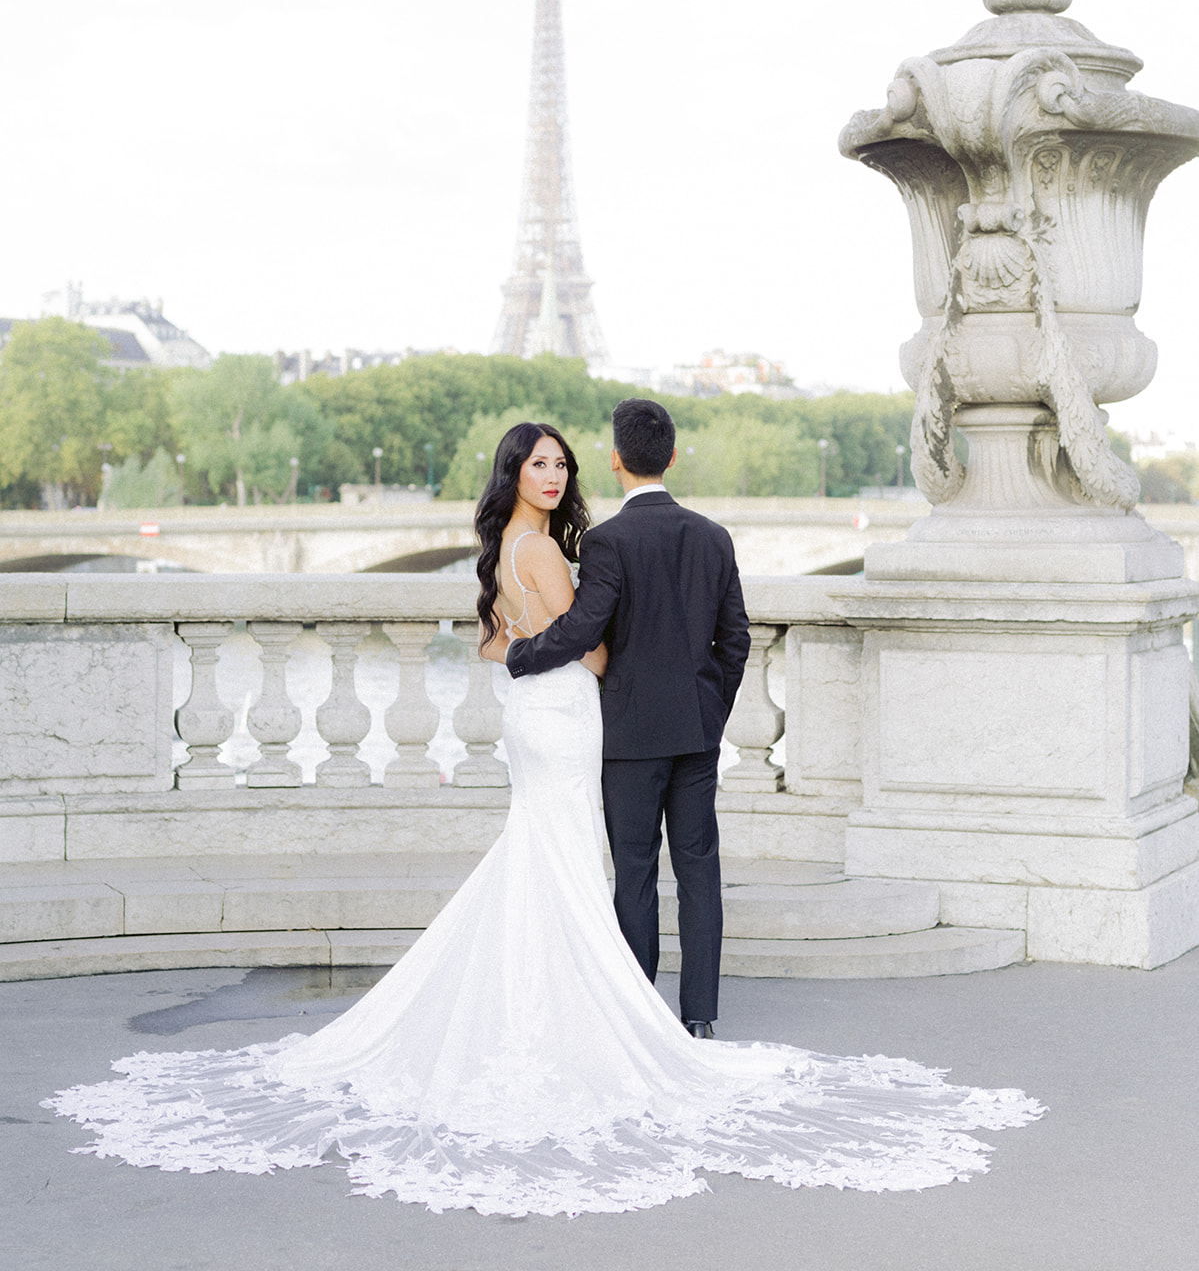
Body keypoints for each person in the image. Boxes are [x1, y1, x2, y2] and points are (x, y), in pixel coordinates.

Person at [45, 420, 1042, 1217]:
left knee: (573, 864)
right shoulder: (605, 546)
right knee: (620, 866)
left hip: (540, 720)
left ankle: (609, 1003)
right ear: (518, 474)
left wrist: (536, 651)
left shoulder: (519, 547)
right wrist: (642, 673)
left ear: (600, 460)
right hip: (581, 717)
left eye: (561, 460)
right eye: (538, 462)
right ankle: (652, 1012)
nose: (553, 472)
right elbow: (603, 648)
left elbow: (495, 642)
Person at [502, 398, 749, 1039]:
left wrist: (520, 655)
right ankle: (698, 1018)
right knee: (699, 871)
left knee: (634, 872)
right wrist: (710, 715)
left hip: (630, 736)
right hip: (697, 734)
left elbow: (583, 629)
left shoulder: (607, 542)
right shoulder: (714, 538)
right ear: (671, 456)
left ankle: (639, 1015)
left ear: (615, 461)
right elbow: (736, 640)